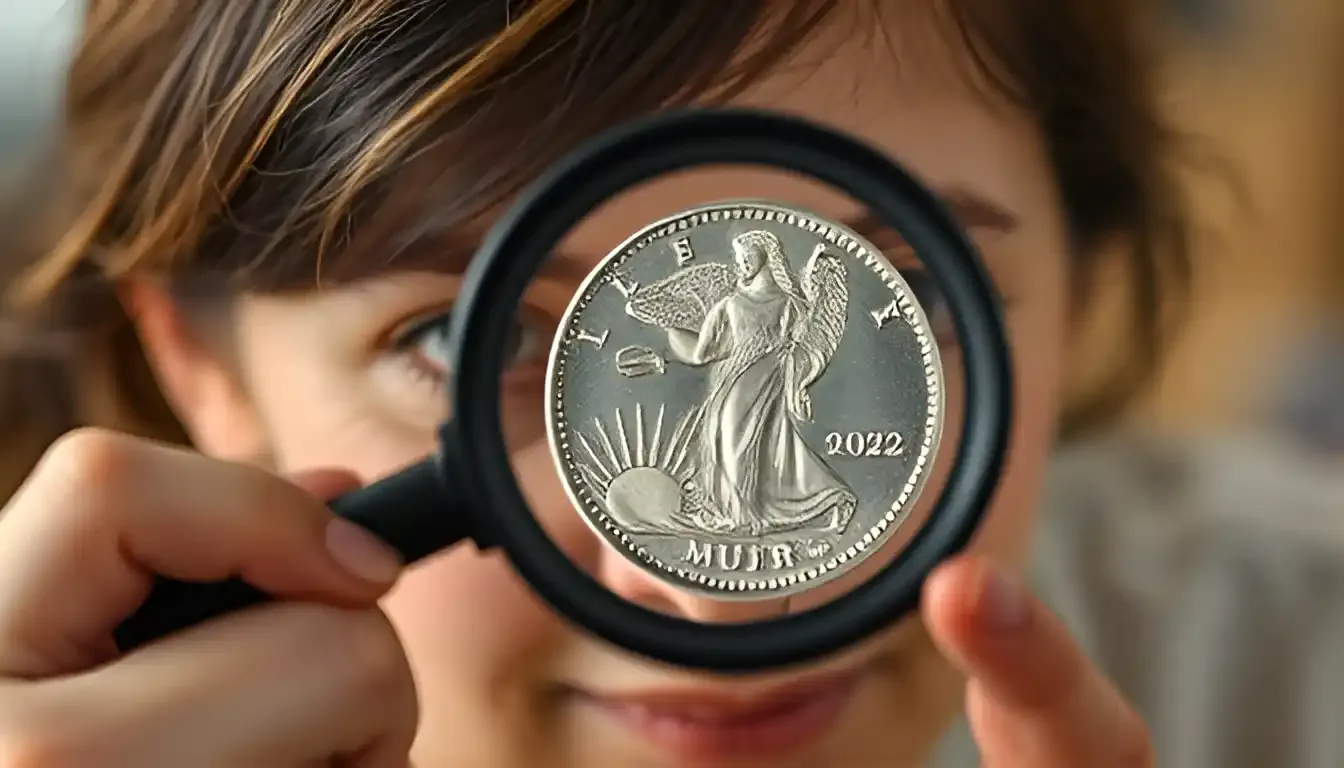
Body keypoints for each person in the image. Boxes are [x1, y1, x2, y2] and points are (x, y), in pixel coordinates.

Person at [0, 1, 1336, 766]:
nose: (707, 591)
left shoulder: (1300, 665)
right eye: (478, 348)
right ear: (203, 370)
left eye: (909, 303)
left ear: (1081, 298)